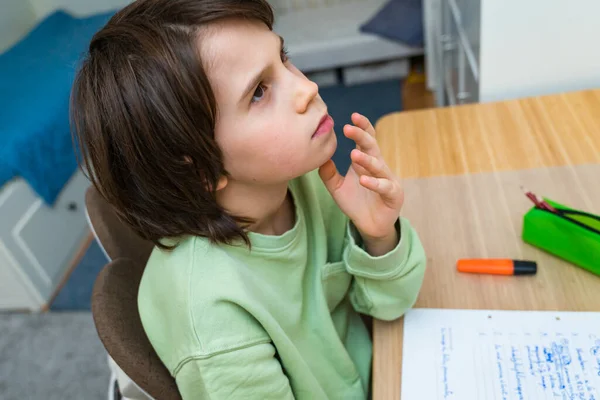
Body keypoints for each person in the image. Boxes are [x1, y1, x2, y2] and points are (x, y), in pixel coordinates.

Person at [71, 0, 427, 398]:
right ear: (200, 170)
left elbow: (389, 305)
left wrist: (379, 238)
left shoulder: (301, 180)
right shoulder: (213, 318)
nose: (307, 87)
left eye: (284, 57)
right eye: (259, 91)